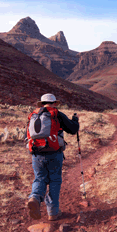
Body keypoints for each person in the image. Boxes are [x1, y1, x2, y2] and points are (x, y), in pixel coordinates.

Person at [26, 93, 79, 221]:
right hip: (54, 153)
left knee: (40, 178)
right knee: (54, 180)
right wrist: (75, 121)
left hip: (36, 153)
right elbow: (72, 129)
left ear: (42, 103)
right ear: (54, 103)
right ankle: (53, 212)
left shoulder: (33, 115)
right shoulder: (57, 114)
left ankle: (34, 197)